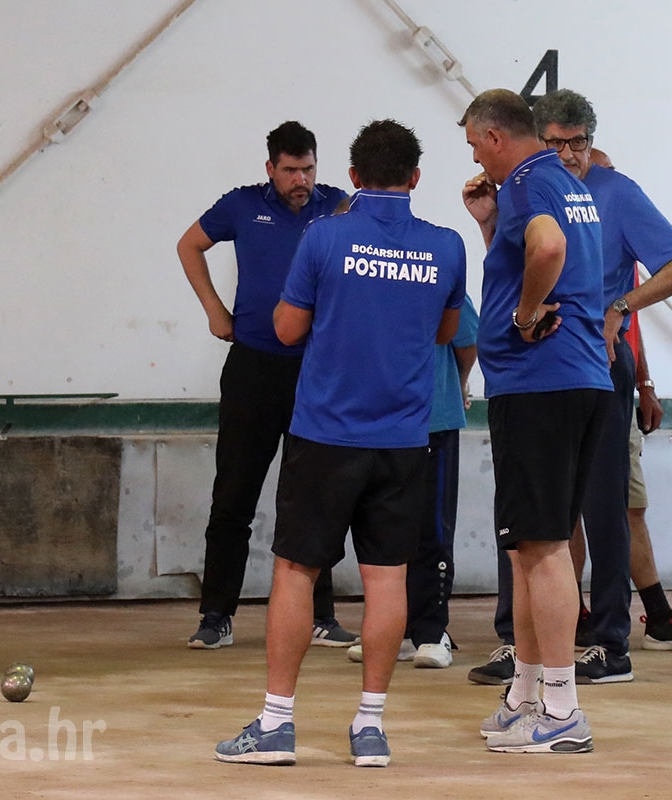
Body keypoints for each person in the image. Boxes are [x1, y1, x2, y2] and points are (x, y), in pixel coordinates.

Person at [215, 119, 466, 767]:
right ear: (416, 177)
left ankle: (276, 724)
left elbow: (287, 329)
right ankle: (371, 727)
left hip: (326, 433)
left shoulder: (325, 236)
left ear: (352, 177)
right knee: (388, 579)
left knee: (296, 570)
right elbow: (446, 333)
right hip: (404, 438)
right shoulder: (447, 246)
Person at [460, 88, 608, 754]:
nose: (476, 159)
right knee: (528, 548)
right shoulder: (566, 183)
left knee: (543, 550)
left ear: (495, 138)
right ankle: (525, 694)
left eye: (475, 146)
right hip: (574, 381)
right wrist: (492, 228)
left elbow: (546, 249)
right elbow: (540, 250)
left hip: (540, 383)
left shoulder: (526, 182)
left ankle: (562, 710)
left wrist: (523, 316)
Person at [177, 121, 357, 650]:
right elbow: (189, 246)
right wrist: (215, 311)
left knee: (315, 497)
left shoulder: (339, 207)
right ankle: (216, 616)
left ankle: (321, 616)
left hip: (315, 372)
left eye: (308, 169)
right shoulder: (242, 205)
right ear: (270, 169)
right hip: (253, 367)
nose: (301, 180)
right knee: (233, 494)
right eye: (290, 170)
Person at [346, 295, 479, 669]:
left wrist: (459, 384)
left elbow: (467, 341)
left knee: (432, 530)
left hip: (433, 419)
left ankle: (432, 631)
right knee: (383, 529)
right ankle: (392, 630)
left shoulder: (441, 274)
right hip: (378, 421)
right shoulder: (366, 277)